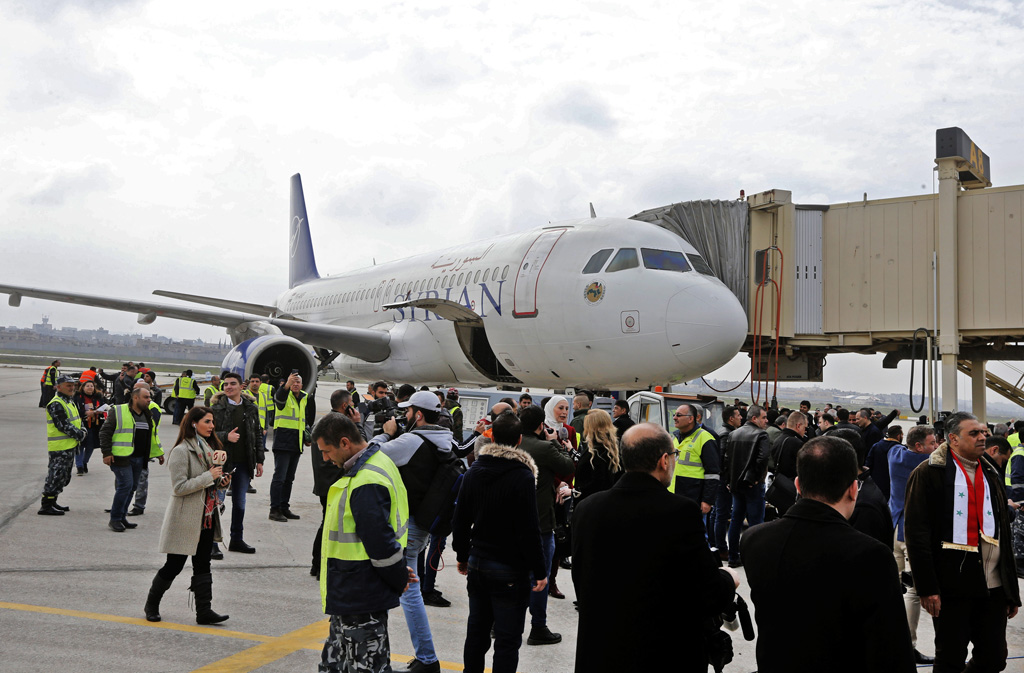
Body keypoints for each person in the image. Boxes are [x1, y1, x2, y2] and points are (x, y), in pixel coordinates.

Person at [572, 423, 739, 673]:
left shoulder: (587, 508)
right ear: (664, 460)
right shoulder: (680, 511)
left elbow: (581, 580)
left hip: (601, 651)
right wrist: (729, 579)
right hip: (663, 653)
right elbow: (707, 592)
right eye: (674, 456)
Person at [742, 436, 915, 672]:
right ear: (854, 489)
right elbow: (892, 649)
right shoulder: (871, 555)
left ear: (798, 485)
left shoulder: (754, 540)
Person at [905, 411, 1021, 672]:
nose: (982, 437)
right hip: (950, 587)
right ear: (953, 439)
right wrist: (927, 587)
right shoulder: (929, 473)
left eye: (983, 432)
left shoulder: (990, 472)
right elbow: (917, 533)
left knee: (994, 658)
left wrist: (1010, 590)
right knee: (950, 659)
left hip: (993, 586)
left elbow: (1002, 532)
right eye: (974, 433)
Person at [312, 412, 412, 673]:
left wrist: (398, 576)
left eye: (327, 450)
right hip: (352, 591)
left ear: (345, 443)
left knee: (365, 665)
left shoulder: (365, 481)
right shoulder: (378, 461)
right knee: (335, 664)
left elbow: (380, 543)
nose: (324, 458)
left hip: (360, 593)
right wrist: (398, 571)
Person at [452, 412, 547, 673]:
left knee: (477, 633)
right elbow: (529, 528)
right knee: (506, 640)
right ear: (518, 440)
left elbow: (460, 520)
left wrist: (462, 555)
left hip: (479, 563)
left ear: (491, 436)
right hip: (510, 568)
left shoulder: (474, 471)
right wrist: (540, 570)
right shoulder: (523, 476)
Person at [368, 390, 455, 673]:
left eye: (407, 412)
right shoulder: (444, 439)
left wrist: (385, 433)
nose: (403, 416)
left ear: (418, 414)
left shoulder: (412, 440)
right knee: (406, 586)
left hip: (410, 526)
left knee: (409, 589)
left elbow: (368, 454)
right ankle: (424, 658)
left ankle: (428, 659)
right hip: (424, 523)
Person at [143, 406, 230, 625]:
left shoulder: (209, 449)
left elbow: (210, 481)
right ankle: (151, 604)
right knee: (174, 564)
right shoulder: (181, 451)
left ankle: (204, 611)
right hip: (185, 518)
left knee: (203, 564)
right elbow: (179, 487)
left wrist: (221, 481)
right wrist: (208, 476)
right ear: (194, 423)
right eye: (207, 422)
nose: (212, 426)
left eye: (212, 422)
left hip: (206, 517)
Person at [517, 404, 575, 646]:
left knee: (511, 574)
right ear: (542, 425)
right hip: (540, 521)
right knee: (538, 577)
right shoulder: (544, 448)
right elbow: (569, 468)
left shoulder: (512, 444)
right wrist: (556, 443)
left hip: (511, 521)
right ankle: (538, 627)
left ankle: (499, 624)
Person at [887, 424, 938, 664]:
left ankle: (891, 645)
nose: (936, 446)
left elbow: (892, 445)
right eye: (931, 443)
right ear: (919, 447)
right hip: (911, 532)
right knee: (914, 592)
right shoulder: (926, 463)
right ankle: (908, 647)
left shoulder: (894, 455)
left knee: (894, 588)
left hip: (893, 526)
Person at [209, 373, 264, 553]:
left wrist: (260, 460)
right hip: (222, 463)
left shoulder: (251, 408)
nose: (228, 387)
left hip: (243, 463)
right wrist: (226, 436)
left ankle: (236, 539)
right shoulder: (216, 408)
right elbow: (207, 434)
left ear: (242, 387)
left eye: (233, 384)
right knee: (217, 503)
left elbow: (257, 434)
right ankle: (212, 543)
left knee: (240, 504)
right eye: (226, 385)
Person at [100, 383, 165, 532]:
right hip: (121, 457)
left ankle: (122, 517)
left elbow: (151, 436)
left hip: (140, 458)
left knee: (132, 488)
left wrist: (158, 453)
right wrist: (107, 453)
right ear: (135, 397)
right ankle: (115, 519)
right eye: (146, 397)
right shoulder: (118, 411)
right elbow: (105, 433)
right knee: (125, 486)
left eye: (150, 397)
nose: (149, 399)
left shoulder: (147, 414)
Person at [311, 390, 362, 578]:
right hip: (334, 482)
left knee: (326, 522)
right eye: (352, 405)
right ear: (345, 406)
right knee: (330, 525)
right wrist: (357, 425)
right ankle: (320, 564)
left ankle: (317, 563)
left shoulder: (325, 423)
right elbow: (358, 452)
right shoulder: (339, 427)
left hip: (324, 482)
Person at [726, 404, 769, 568]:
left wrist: (729, 480)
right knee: (756, 522)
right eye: (764, 417)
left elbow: (726, 459)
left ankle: (733, 556)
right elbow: (762, 458)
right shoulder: (761, 435)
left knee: (736, 520)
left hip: (736, 485)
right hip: (752, 486)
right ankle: (754, 557)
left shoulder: (733, 433)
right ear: (754, 418)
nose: (766, 421)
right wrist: (753, 479)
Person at [39, 374, 87, 515]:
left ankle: (53, 501)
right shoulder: (56, 403)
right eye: (68, 385)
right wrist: (81, 434)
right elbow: (63, 425)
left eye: (73, 385)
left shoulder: (69, 401)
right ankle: (46, 505)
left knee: (63, 477)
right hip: (59, 447)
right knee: (55, 475)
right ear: (58, 387)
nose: (72, 388)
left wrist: (82, 430)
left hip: (69, 446)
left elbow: (78, 420)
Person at [269, 372, 313, 522]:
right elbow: (279, 398)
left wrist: (308, 436)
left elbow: (305, 420)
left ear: (302, 385)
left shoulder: (305, 398)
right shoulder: (283, 396)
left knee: (289, 479)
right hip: (283, 441)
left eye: (298, 382)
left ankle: (284, 507)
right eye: (293, 382)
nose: (295, 384)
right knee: (279, 478)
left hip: (296, 442)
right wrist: (286, 384)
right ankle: (274, 509)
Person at [667, 403, 719, 515]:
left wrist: (707, 500)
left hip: (693, 497)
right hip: (674, 495)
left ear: (691, 419)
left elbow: (713, 472)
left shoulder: (705, 438)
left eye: (679, 415)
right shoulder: (674, 438)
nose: (675, 418)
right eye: (674, 415)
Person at [127, 379, 165, 518]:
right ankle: (121, 503)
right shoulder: (129, 406)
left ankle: (139, 506)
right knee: (123, 479)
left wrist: (157, 452)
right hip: (127, 449)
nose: (133, 392)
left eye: (137, 390)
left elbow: (151, 431)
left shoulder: (152, 407)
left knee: (141, 479)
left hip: (144, 449)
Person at [575, 409, 621, 500]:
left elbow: (596, 483)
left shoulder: (597, 452)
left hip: (590, 504)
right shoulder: (610, 449)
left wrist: (574, 491)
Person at [73, 377, 106, 476]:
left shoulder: (99, 397)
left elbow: (105, 407)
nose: (90, 388)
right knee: (80, 445)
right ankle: (79, 466)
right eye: (87, 386)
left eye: (92, 386)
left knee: (90, 446)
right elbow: (74, 410)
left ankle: (84, 462)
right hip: (81, 424)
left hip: (94, 425)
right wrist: (85, 413)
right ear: (82, 388)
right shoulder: (77, 398)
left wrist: (100, 411)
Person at [866, 424, 903, 504]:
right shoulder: (901, 449)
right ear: (898, 436)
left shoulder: (876, 446)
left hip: (877, 484)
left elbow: (868, 464)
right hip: (893, 486)